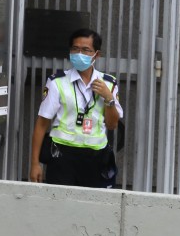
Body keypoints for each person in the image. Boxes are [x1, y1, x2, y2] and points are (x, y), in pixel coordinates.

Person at [29, 28, 123, 187]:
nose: (79, 53)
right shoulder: (57, 82)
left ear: (96, 55)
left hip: (96, 157)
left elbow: (113, 125)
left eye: (86, 50)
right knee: (60, 207)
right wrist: (34, 163)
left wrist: (108, 98)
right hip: (62, 155)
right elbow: (42, 123)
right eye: (75, 49)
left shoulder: (109, 83)